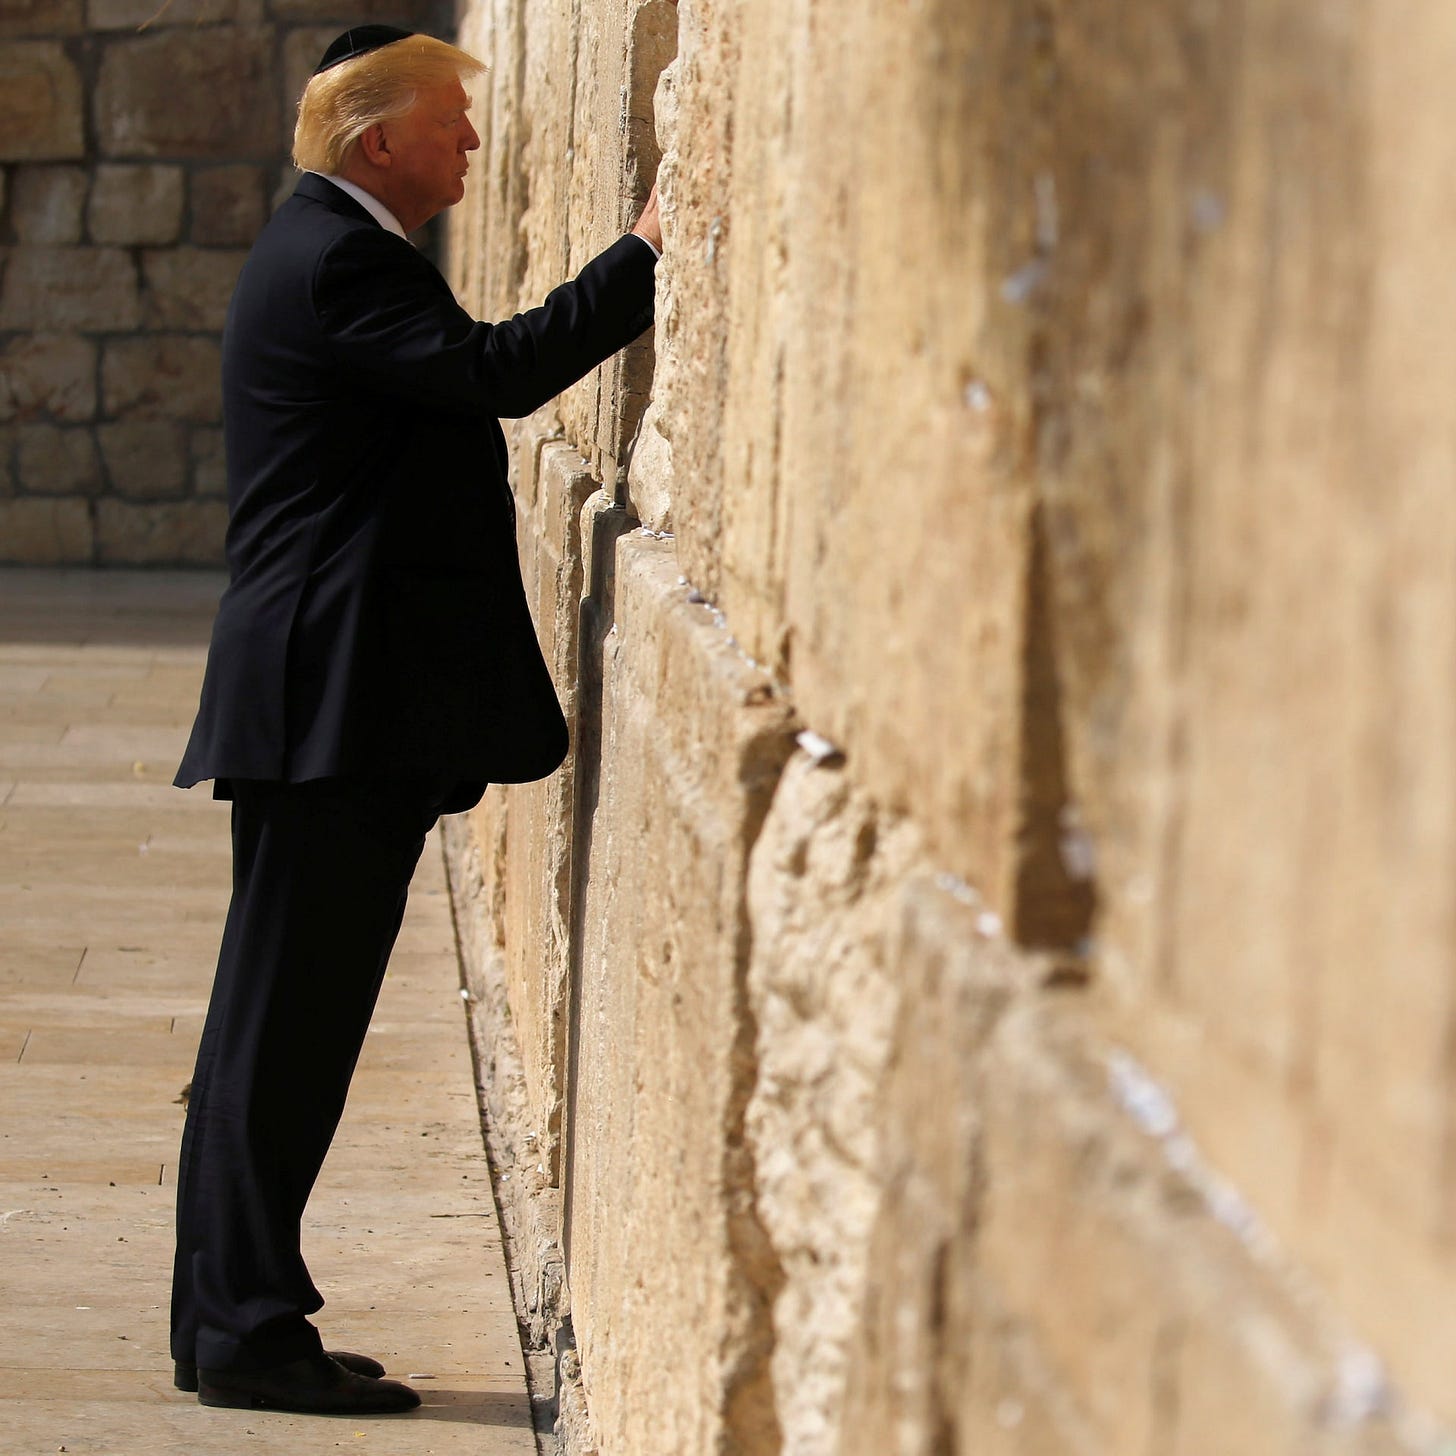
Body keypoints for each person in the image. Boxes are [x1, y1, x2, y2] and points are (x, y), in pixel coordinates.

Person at [168, 24, 662, 1416]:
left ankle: (224, 1318)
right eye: (450, 121)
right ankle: (249, 1329)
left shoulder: (319, 251)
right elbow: (498, 371)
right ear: (376, 138)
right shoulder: (340, 259)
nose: (472, 144)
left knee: (267, 1028)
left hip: (323, 697)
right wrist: (650, 247)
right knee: (285, 1031)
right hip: (332, 705)